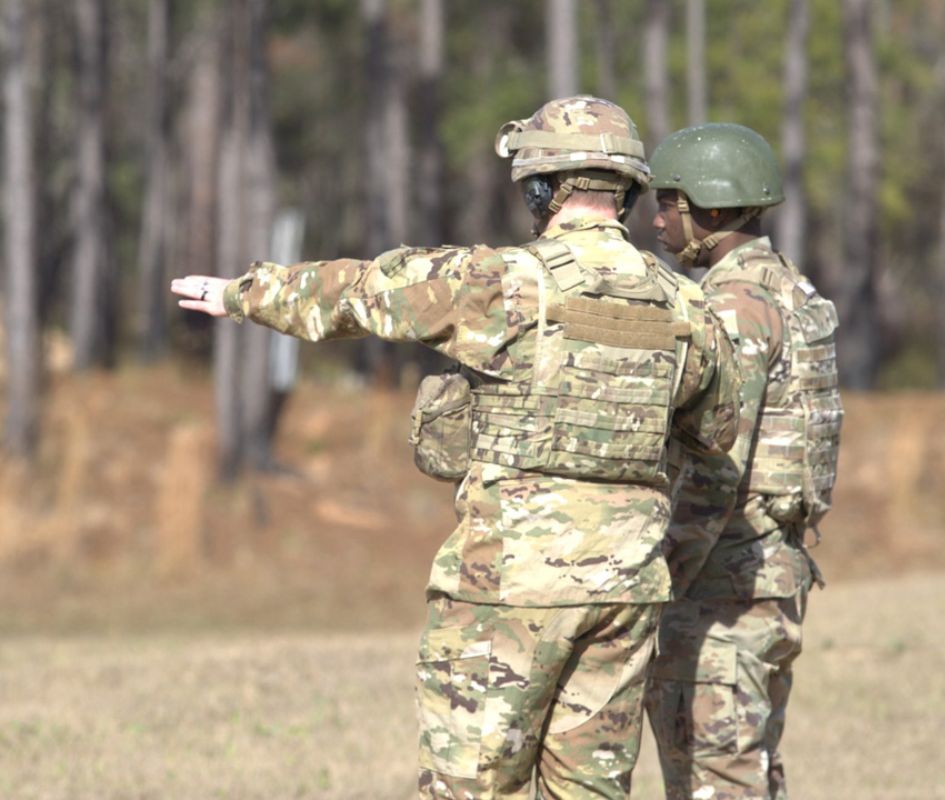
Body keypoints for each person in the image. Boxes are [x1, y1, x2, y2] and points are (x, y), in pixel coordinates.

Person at [172, 96, 740, 800]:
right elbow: (715, 438)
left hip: (510, 585)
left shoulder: (502, 284)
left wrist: (242, 293)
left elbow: (359, 292)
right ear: (625, 191)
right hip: (626, 589)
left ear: (544, 188)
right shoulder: (686, 306)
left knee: (472, 786)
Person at [643, 123, 844, 800]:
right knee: (750, 775)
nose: (658, 218)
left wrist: (655, 579)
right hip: (766, 580)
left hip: (720, 598)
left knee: (715, 780)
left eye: (670, 203)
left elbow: (713, 465)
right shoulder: (789, 288)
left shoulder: (735, 307)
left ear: (716, 210)